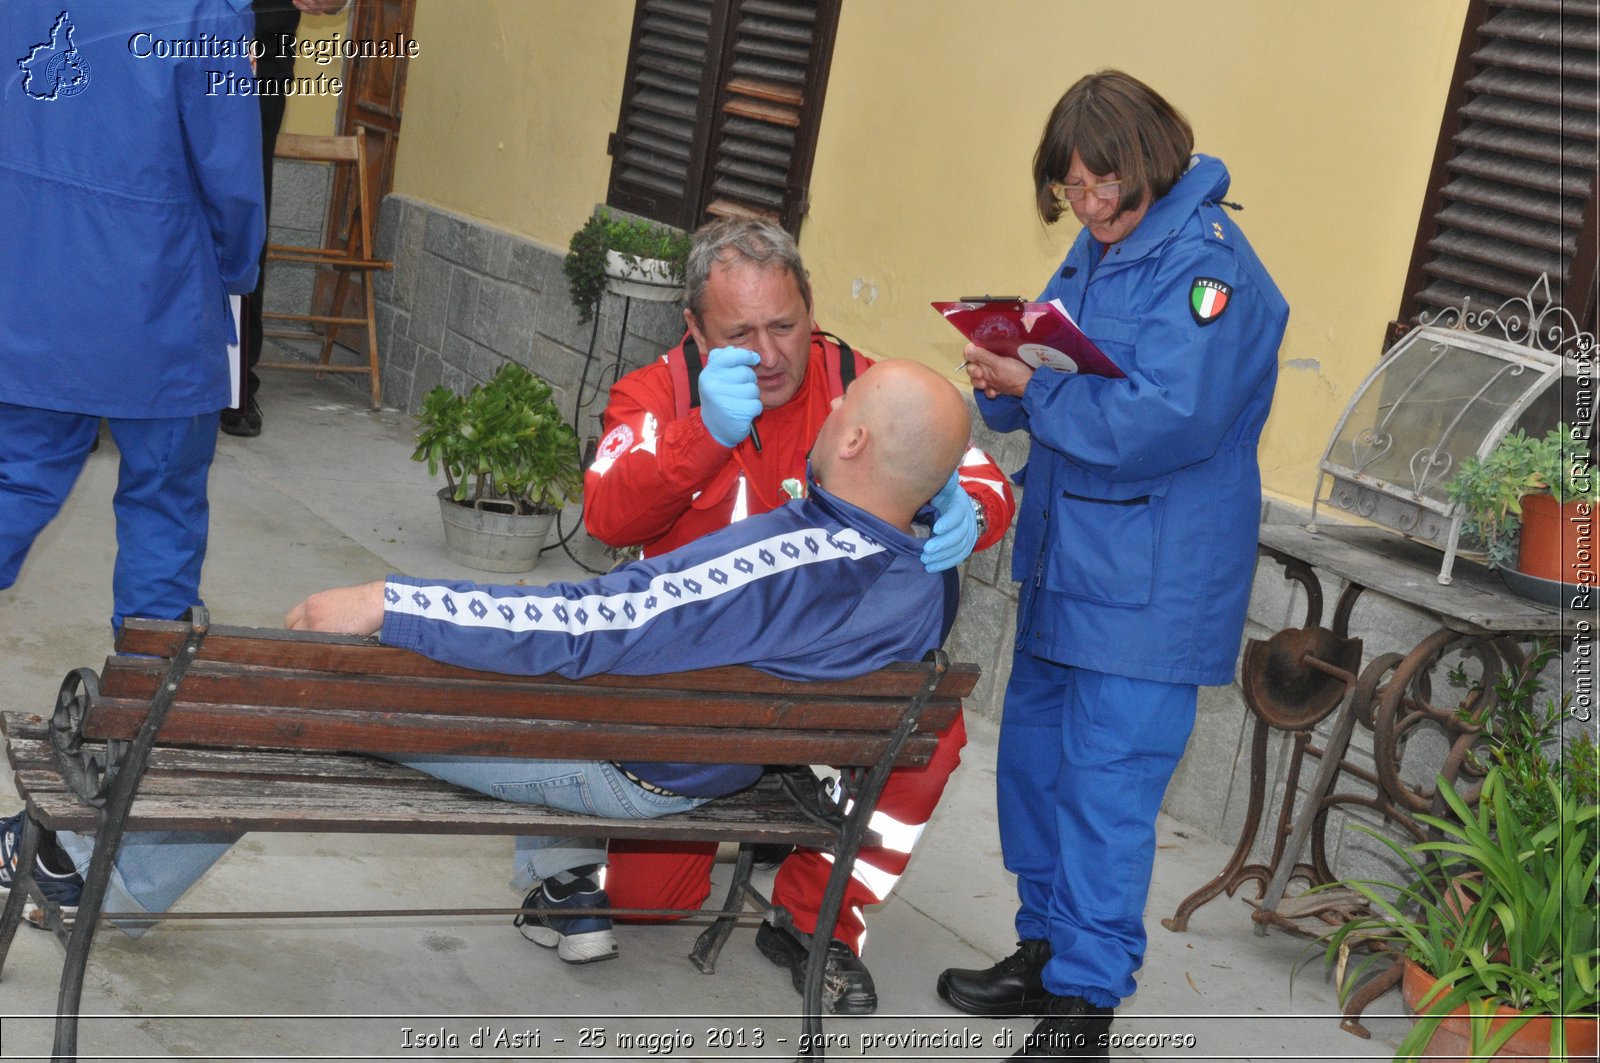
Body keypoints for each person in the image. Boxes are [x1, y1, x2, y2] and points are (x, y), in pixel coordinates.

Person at [0, 362, 975, 976]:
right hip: (688, 754)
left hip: (624, 767)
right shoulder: (920, 581)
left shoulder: (784, 555)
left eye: (838, 399)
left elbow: (601, 618)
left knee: (310, 698)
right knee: (387, 690)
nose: (820, 400)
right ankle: (561, 881)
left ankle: (80, 872)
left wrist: (397, 601)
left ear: (848, 438)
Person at [935, 71, 1288, 1059]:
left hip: (1148, 587)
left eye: (1101, 187)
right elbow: (1049, 372)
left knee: (1105, 793)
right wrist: (1000, 374)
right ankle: (1044, 948)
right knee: (1037, 773)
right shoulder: (1096, 253)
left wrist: (1032, 394)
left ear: (1150, 162)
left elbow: (1165, 420)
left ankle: (1085, 1002)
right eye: (1070, 190)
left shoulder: (1210, 269)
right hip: (1067, 567)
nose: (1086, 208)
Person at [583, 217, 1015, 1014]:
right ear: (694, 329)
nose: (772, 351)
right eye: (740, 332)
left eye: (785, 324)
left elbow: (979, 470)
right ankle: (595, 838)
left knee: (933, 727)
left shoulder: (860, 380)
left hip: (828, 680)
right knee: (650, 904)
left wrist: (971, 505)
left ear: (811, 308)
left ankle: (817, 917)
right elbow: (607, 515)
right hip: (696, 688)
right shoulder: (659, 391)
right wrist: (699, 436)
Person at [0, 1, 264, 633]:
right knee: (164, 500)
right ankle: (142, 690)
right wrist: (234, 272)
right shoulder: (209, 13)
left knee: (17, 478)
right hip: (160, 291)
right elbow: (231, 176)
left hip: (29, 277)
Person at [221, 0, 348, 438]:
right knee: (150, 209)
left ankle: (234, 383)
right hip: (171, 33)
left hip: (262, 45)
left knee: (244, 213)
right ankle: (112, 384)